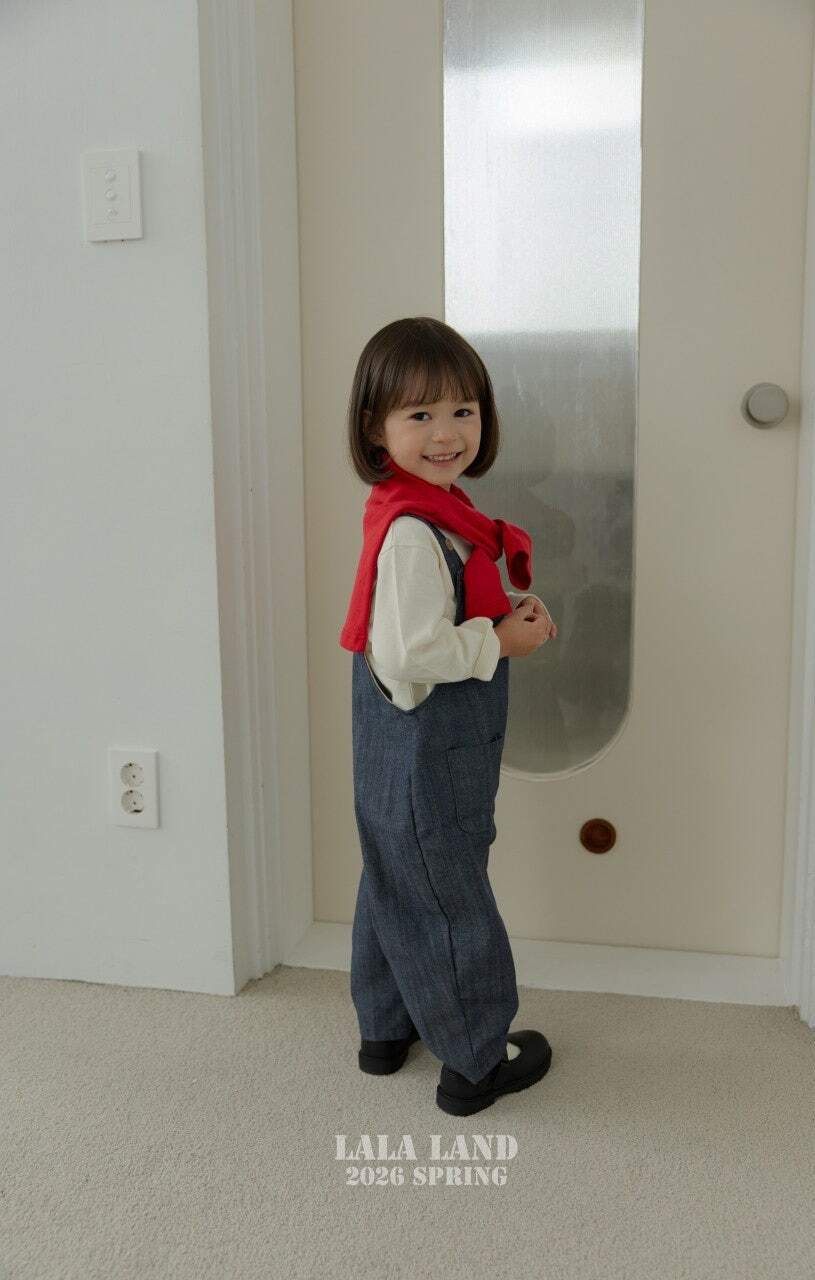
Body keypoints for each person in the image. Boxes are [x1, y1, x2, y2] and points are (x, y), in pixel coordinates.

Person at [339, 316, 555, 1116]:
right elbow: (409, 653)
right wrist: (499, 640)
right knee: (447, 890)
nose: (445, 433)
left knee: (395, 878)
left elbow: (423, 625)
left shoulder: (431, 512)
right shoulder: (413, 533)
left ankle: (386, 1029)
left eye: (462, 411)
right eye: (419, 414)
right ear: (375, 426)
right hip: (429, 746)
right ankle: (473, 1061)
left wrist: (501, 618)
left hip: (398, 742)